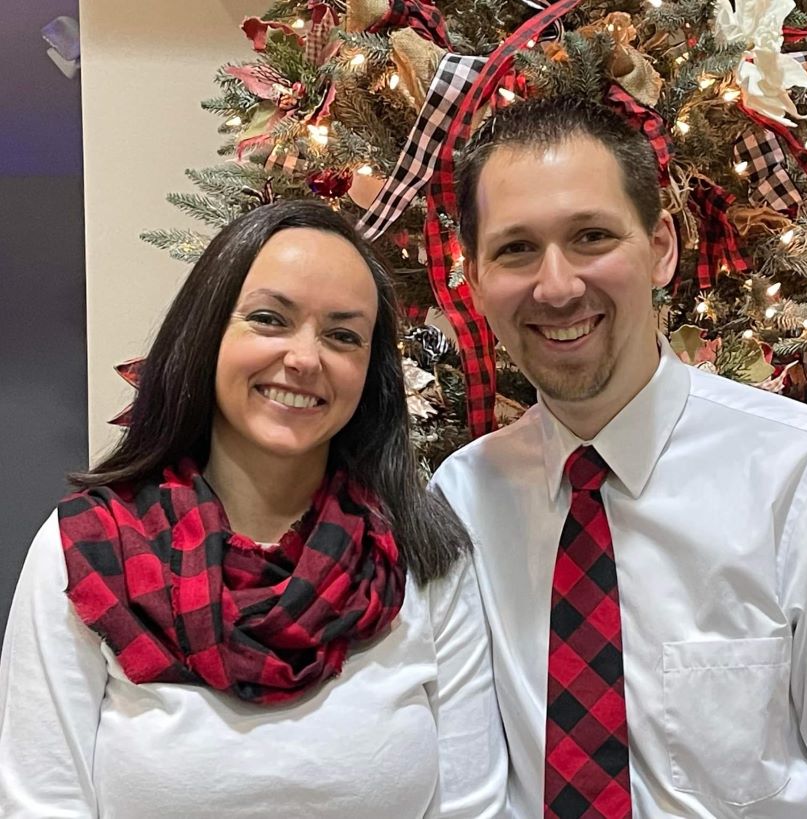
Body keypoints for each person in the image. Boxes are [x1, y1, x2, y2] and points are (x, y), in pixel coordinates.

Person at [430, 95, 807, 817]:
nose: (555, 285)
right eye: (516, 248)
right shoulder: (461, 502)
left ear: (661, 248)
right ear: (474, 273)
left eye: (591, 236)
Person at [0, 200, 507, 817]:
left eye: (343, 335)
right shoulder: (85, 551)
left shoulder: (424, 560)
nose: (304, 358)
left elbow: (472, 807)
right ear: (208, 333)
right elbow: (42, 804)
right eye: (270, 319)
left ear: (370, 373)